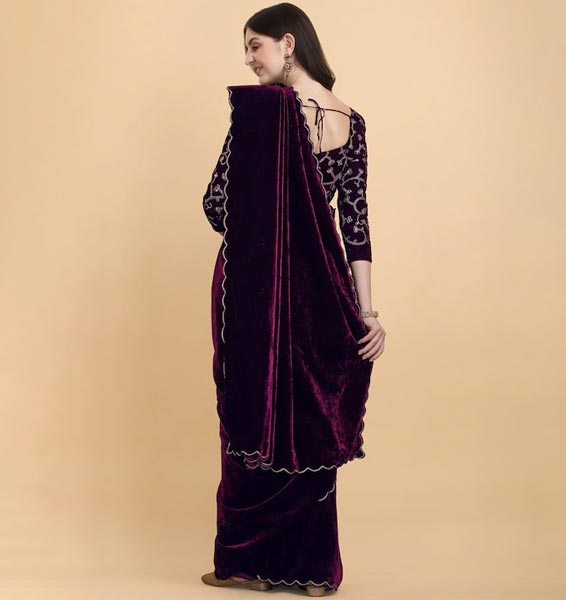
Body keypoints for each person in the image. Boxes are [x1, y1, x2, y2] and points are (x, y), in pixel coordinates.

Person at [200, 3, 386, 596]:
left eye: (254, 46)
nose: (248, 61)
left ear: (287, 42)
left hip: (250, 283)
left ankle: (246, 563)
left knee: (247, 404)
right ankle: (312, 571)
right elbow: (354, 226)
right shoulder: (352, 121)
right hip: (321, 290)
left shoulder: (261, 111)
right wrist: (367, 314)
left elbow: (215, 206)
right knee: (310, 417)